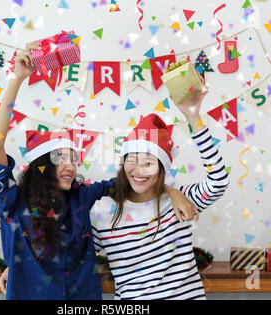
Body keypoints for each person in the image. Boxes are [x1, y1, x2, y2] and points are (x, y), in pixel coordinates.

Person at [0, 43, 198, 299]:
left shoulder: (80, 196)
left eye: (73, 158)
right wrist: (17, 79)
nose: (71, 165)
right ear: (41, 166)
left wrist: (172, 191)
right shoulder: (13, 202)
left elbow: (133, 182)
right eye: (60, 157)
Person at [90, 75, 230, 300]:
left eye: (148, 162)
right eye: (132, 160)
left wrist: (193, 117)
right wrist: (12, 267)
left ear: (162, 167)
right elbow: (70, 253)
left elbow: (218, 182)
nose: (138, 170)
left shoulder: (182, 201)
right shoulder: (102, 212)